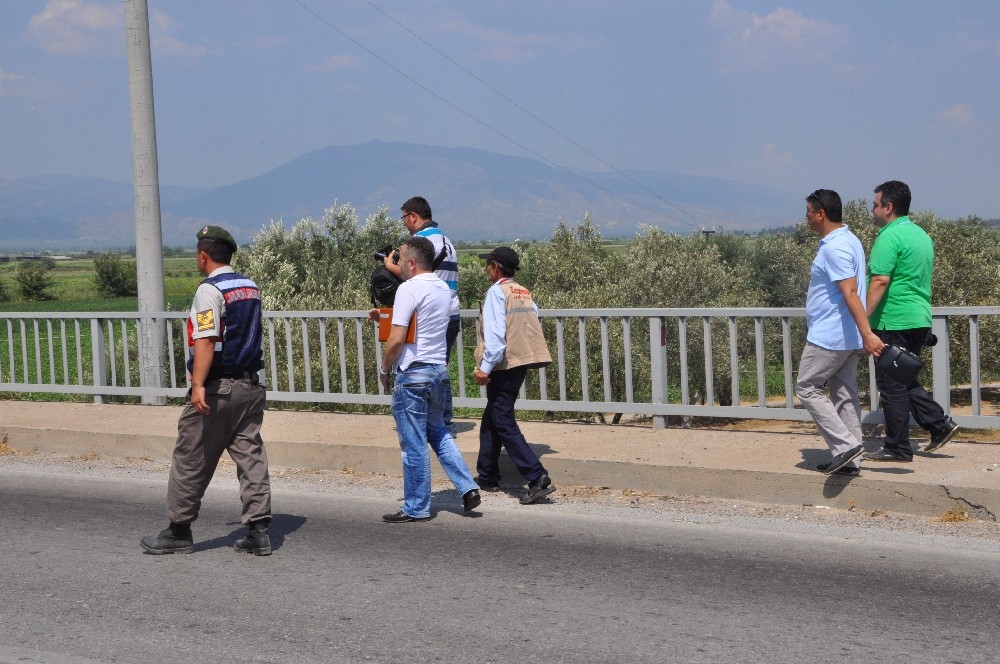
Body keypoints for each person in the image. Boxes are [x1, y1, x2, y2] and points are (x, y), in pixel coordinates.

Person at [140, 225, 272, 555]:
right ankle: (258, 530)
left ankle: (178, 530)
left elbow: (206, 340)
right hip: (250, 386)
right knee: (250, 456)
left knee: (190, 456)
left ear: (203, 256)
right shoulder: (249, 286)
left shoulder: (209, 291)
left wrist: (197, 384)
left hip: (219, 389)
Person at [370, 236, 481, 522]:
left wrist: (384, 369)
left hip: (413, 375)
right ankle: (467, 487)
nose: (397, 264)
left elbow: (397, 338)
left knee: (413, 443)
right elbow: (421, 321)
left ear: (411, 262)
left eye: (401, 258)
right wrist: (384, 314)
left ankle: (416, 506)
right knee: (440, 433)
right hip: (438, 372)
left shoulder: (409, 288)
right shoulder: (443, 288)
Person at [863, 180, 959, 462]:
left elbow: (879, 281)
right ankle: (939, 426)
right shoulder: (920, 234)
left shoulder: (888, 237)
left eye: (875, 204)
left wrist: (861, 318)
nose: (872, 210)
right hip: (919, 318)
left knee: (891, 385)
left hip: (894, 321)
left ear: (888, 207)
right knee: (902, 377)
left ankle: (897, 448)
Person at [795, 190, 884, 476]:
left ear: (821, 213)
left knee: (806, 387)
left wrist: (867, 333)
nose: (806, 216)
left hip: (829, 336)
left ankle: (845, 446)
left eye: (808, 210)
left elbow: (849, 293)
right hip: (846, 337)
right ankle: (851, 460)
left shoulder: (834, 248)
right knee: (844, 394)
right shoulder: (850, 240)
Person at [473, 246, 555, 504]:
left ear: (496, 267)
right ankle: (487, 475)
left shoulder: (496, 292)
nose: (485, 268)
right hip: (520, 362)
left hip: (503, 364)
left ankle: (537, 476)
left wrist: (484, 368)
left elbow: (496, 338)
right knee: (493, 418)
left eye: (488, 264)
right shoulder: (522, 291)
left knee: (503, 420)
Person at [383, 197, 461, 428]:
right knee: (440, 369)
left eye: (404, 218)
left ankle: (425, 420)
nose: (405, 224)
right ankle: (442, 421)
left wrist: (389, 267)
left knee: (417, 367)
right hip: (451, 312)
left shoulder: (420, 241)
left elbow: (414, 274)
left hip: (427, 314)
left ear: (413, 216)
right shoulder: (447, 241)